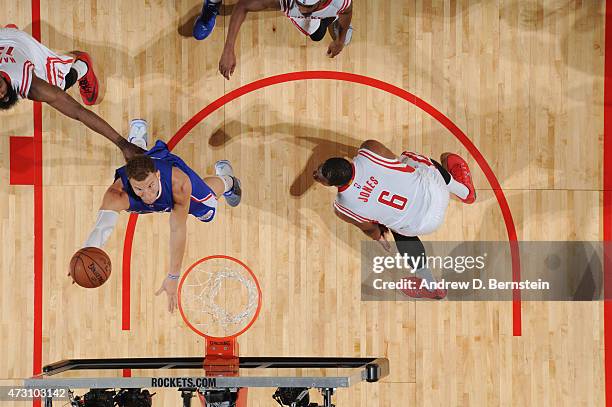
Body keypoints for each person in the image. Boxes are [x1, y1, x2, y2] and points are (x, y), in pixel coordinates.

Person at [83, 119, 243, 312]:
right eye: (139, 189)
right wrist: (83, 257)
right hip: (144, 170)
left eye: (150, 186)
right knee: (138, 163)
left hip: (171, 184)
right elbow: (101, 229)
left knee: (207, 209)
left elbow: (178, 228)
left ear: (158, 176)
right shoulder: (117, 195)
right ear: (129, 184)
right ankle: (137, 144)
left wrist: (173, 275)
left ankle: (228, 180)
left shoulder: (179, 183)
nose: (147, 195)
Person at [312, 139, 477, 299]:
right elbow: (397, 162)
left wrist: (378, 237)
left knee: (396, 226)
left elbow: (370, 229)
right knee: (408, 158)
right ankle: (465, 192)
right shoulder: (370, 149)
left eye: (320, 175)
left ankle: (431, 286)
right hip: (438, 195)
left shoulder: (342, 207)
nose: (316, 174)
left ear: (331, 184)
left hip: (424, 226)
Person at [0, 25, 141, 160]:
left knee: (58, 84)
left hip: (21, 44)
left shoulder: (32, 86)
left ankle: (82, 66)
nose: (1, 92)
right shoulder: (7, 86)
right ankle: (9, 35)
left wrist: (123, 143)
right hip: (6, 42)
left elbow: (78, 111)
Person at [209, 0, 353, 79]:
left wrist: (340, 41)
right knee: (317, 34)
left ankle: (333, 19)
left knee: (323, 27)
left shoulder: (341, 2)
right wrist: (228, 48)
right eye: (299, 4)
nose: (301, 10)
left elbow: (347, 12)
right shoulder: (285, 1)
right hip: (320, 14)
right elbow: (243, 5)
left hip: (330, 10)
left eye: (306, 6)